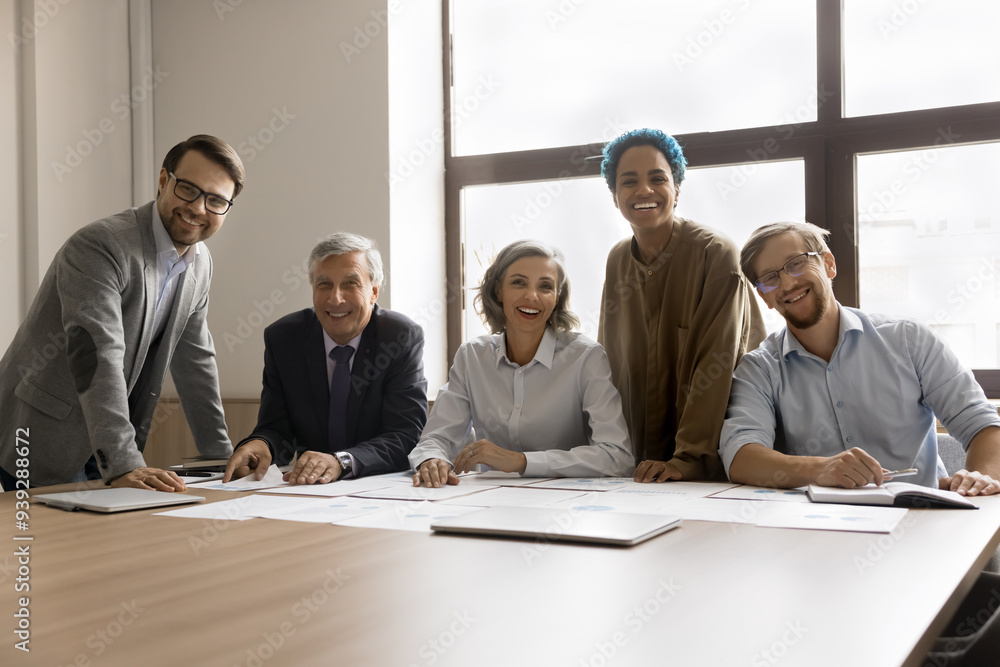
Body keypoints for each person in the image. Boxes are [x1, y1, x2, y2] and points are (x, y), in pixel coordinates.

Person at [0, 134, 245, 492]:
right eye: (188, 189)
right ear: (164, 180)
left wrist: (220, 455)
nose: (198, 208)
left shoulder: (200, 262)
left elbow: (195, 360)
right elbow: (98, 354)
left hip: (108, 442)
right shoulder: (101, 246)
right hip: (42, 435)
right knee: (44, 546)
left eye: (216, 200)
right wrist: (125, 461)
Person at [720, 221, 1000, 495]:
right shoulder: (758, 368)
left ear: (828, 264)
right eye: (770, 278)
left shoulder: (909, 339)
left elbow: (982, 425)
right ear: (764, 296)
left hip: (918, 519)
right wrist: (819, 469)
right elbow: (741, 457)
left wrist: (977, 481)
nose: (788, 283)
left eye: (796, 263)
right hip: (816, 528)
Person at [598, 128, 765, 483]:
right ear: (615, 196)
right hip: (641, 465)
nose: (644, 190)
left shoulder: (715, 254)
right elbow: (613, 363)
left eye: (657, 178)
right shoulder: (617, 260)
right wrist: (612, 449)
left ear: (677, 189)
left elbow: (717, 365)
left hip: (716, 459)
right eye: (629, 181)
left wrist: (687, 459)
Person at [411, 240, 633, 488]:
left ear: (557, 298)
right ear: (498, 290)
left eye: (545, 286)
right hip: (490, 502)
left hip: (565, 505)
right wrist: (432, 459)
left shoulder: (586, 357)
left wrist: (522, 462)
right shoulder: (472, 356)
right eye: (519, 282)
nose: (532, 296)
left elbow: (617, 457)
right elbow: (437, 437)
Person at [224, 233, 428, 485]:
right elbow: (276, 427)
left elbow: (405, 435)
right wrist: (260, 446)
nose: (335, 298)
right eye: (324, 284)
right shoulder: (284, 338)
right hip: (311, 488)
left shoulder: (399, 337)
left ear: (373, 292)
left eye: (350, 284)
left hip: (381, 485)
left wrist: (342, 461)